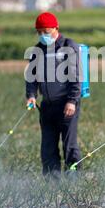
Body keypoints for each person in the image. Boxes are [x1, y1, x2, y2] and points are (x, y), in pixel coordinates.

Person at [25, 12, 82, 180]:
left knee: (69, 145)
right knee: (48, 147)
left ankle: (74, 181)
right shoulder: (37, 50)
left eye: (46, 31)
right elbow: (31, 77)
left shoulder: (68, 45)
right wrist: (31, 95)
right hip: (47, 106)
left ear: (56, 28)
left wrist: (72, 101)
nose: (43, 35)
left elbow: (76, 76)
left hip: (67, 105)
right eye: (40, 32)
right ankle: (52, 183)